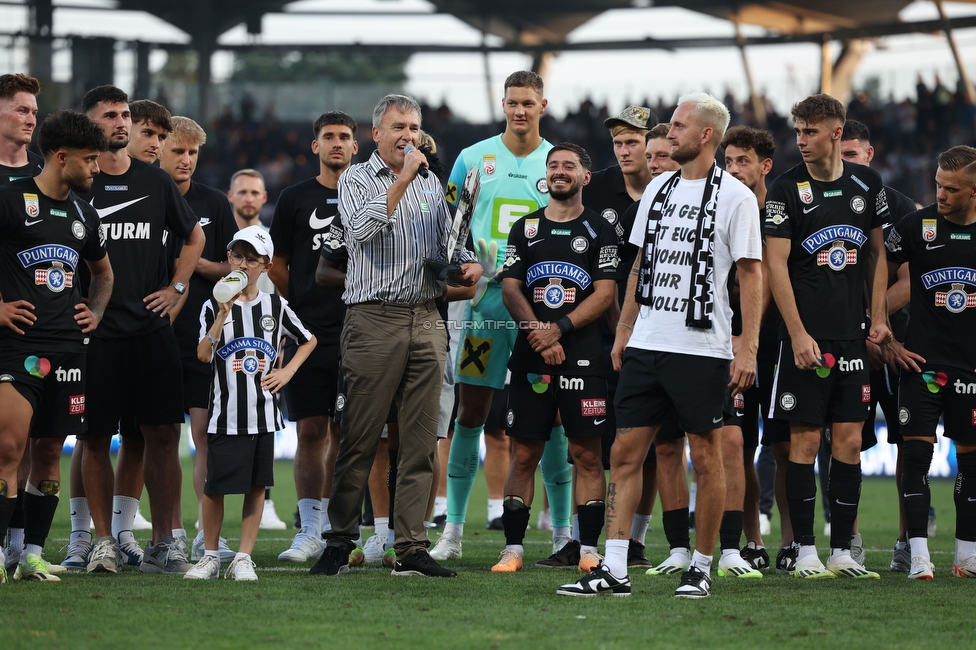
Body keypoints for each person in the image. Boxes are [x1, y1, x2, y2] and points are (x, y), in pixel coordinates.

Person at [558, 93, 762, 599]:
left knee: (705, 455)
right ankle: (615, 568)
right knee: (625, 453)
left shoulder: (736, 197)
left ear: (705, 135)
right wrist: (626, 328)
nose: (668, 134)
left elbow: (750, 274)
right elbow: (638, 265)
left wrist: (748, 346)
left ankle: (701, 565)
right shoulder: (658, 190)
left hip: (702, 348)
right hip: (648, 341)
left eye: (677, 127)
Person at [311, 93, 480, 578]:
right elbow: (361, 232)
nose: (408, 135)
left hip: (427, 317)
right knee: (360, 440)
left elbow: (449, 246)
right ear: (376, 133)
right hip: (372, 319)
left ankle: (411, 546)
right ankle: (339, 541)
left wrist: (465, 263)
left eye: (413, 126)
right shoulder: (357, 179)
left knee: (421, 442)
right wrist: (402, 179)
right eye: (398, 126)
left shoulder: (432, 184)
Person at [433, 70, 570, 563]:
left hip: (540, 310)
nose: (519, 110)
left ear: (543, 105)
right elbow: (448, 230)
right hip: (485, 309)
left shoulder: (558, 162)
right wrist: (461, 265)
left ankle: (562, 533)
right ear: (504, 105)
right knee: (469, 413)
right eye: (513, 102)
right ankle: (452, 530)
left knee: (552, 418)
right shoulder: (473, 159)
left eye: (528, 103)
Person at [73, 85, 204, 575]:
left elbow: (194, 235)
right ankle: (102, 541)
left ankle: (165, 540)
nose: (121, 122)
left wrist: (177, 285)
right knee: (94, 438)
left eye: (126, 114)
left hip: (151, 331)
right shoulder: (78, 183)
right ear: (90, 124)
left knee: (163, 435)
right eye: (110, 115)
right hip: (95, 335)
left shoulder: (156, 181)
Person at [764, 94, 891, 580]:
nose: (801, 140)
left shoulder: (868, 184)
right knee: (801, 442)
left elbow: (877, 256)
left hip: (852, 340)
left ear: (836, 133)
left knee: (849, 443)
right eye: (797, 131)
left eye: (809, 132)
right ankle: (805, 551)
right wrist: (796, 334)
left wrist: (877, 316)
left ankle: (842, 552)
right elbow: (776, 265)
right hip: (805, 341)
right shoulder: (785, 188)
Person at [491, 142, 617, 574]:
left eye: (569, 166)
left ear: (585, 176)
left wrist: (558, 329)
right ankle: (513, 548)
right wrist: (540, 337)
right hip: (531, 358)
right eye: (553, 165)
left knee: (586, 455)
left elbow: (605, 294)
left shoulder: (601, 229)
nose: (559, 171)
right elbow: (511, 288)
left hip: (583, 359)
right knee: (524, 454)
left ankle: (587, 550)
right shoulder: (524, 228)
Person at [0, 109, 113, 583]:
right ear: (61, 157)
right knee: (8, 448)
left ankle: (30, 553)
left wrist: (96, 310)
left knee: (49, 453)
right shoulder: (9, 200)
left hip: (69, 349)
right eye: (89, 160)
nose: (96, 169)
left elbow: (103, 273)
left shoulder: (85, 213)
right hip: (17, 346)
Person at [185, 226, 315, 581]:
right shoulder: (212, 305)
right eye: (237, 256)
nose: (242, 264)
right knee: (215, 486)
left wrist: (286, 373)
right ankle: (210, 555)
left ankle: (243, 556)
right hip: (226, 416)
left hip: (263, 415)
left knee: (258, 486)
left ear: (267, 266)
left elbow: (308, 340)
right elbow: (202, 354)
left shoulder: (275, 305)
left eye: (251, 259)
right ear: (229, 258)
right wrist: (222, 316)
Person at [269, 111, 358, 563]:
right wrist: (293, 315)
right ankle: (308, 530)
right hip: (308, 332)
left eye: (345, 137)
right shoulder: (293, 198)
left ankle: (335, 527)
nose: (337, 143)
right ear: (315, 146)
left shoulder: (371, 196)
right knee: (310, 428)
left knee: (349, 431)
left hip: (361, 328)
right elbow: (277, 262)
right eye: (329, 137)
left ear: (356, 147)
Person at [884, 145, 976, 580]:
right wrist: (878, 325)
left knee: (972, 465)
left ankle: (967, 555)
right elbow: (875, 266)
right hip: (919, 364)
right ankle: (918, 554)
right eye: (938, 184)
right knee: (916, 459)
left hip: (971, 370)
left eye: (950, 189)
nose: (939, 194)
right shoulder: (915, 227)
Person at [576, 106, 658, 570]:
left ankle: (638, 540)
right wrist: (612, 329)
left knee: (652, 443)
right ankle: (581, 539)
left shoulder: (673, 187)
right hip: (599, 333)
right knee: (586, 440)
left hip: (659, 333)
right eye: (619, 143)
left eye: (634, 142)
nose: (625, 151)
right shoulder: (600, 187)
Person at [158, 116, 239, 563]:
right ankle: (168, 534)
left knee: (205, 435)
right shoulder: (147, 197)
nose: (186, 160)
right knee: (162, 437)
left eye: (192, 153)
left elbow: (233, 268)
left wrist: (186, 268)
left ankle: (205, 535)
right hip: (155, 334)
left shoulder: (213, 202)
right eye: (178, 151)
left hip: (206, 337)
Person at [840, 119, 919, 572]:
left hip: (894, 343)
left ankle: (909, 540)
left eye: (853, 154)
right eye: (842, 152)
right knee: (843, 441)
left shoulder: (901, 207)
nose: (846, 161)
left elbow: (909, 281)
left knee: (909, 441)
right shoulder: (819, 200)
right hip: (845, 343)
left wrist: (872, 322)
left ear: (869, 156)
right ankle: (847, 540)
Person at [720, 125, 778, 572]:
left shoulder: (780, 212)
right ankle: (749, 540)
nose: (734, 169)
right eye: (728, 160)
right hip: (728, 342)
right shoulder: (718, 210)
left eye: (743, 160)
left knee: (783, 445)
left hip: (776, 343)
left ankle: (799, 547)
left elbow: (779, 281)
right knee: (735, 443)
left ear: (764, 166)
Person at [0, 72, 45, 575]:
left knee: (28, 442)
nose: (31, 117)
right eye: (21, 109)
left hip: (36, 336)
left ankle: (17, 545)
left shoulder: (43, 175)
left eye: (34, 111)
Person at [127, 100, 171, 165]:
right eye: (148, 133)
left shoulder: (161, 175)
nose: (156, 145)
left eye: (161, 137)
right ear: (126, 130)